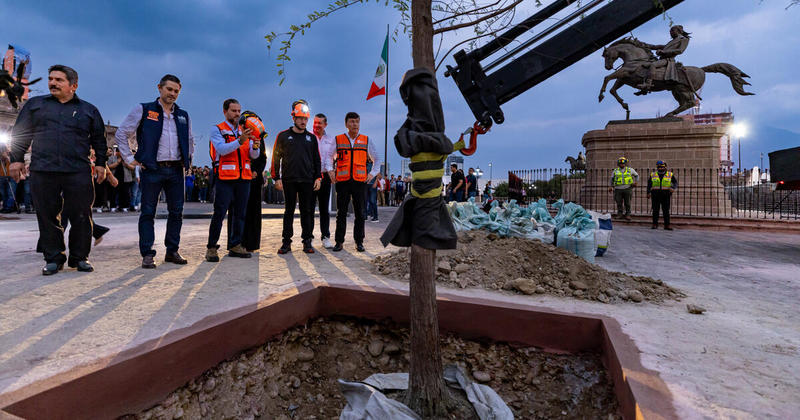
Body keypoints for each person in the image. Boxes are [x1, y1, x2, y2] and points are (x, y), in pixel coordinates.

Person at [8, 64, 108, 275]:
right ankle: (54, 257)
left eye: (59, 80)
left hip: (78, 170)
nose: (52, 83)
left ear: (73, 85)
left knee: (81, 214)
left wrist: (100, 163)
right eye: (51, 79)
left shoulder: (88, 110)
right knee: (47, 214)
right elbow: (21, 133)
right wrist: (16, 160)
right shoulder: (36, 105)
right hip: (44, 169)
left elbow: (99, 139)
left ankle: (80, 258)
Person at [116, 74, 195, 269]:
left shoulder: (183, 115)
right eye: (169, 89)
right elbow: (121, 133)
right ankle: (147, 253)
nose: (173, 94)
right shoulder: (144, 109)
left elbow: (190, 140)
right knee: (148, 212)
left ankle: (172, 250)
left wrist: (188, 161)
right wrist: (129, 159)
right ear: (159, 88)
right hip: (152, 169)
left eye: (176, 91)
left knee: (176, 212)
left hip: (176, 169)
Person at [203, 99, 260, 261]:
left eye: (239, 111)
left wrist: (255, 146)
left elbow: (253, 155)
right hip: (225, 178)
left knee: (240, 214)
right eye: (233, 111)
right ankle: (212, 248)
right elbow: (222, 149)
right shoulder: (217, 129)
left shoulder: (246, 130)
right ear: (225, 111)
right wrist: (240, 141)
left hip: (244, 178)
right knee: (219, 213)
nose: (237, 114)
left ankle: (236, 245)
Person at [271, 100, 321, 254]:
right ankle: (286, 242)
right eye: (300, 118)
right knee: (289, 211)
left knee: (307, 211)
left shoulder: (311, 138)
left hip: (307, 180)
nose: (303, 121)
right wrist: (276, 178)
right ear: (293, 118)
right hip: (289, 180)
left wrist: (318, 178)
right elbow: (275, 158)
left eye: (305, 119)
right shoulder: (283, 136)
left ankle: (307, 242)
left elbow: (316, 159)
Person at [332, 112, 380, 252]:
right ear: (346, 124)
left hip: (360, 182)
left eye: (357, 122)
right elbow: (329, 156)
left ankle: (359, 242)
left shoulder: (366, 140)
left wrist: (371, 174)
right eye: (352, 122)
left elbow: (377, 158)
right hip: (343, 182)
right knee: (341, 212)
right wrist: (330, 171)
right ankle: (339, 242)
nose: (355, 124)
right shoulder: (338, 140)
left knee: (360, 213)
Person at [238, 111, 268, 253]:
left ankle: (252, 243)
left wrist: (256, 171)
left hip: (255, 180)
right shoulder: (238, 135)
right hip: (240, 178)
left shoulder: (259, 138)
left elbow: (263, 158)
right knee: (238, 211)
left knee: (254, 213)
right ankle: (237, 242)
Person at [637, 25, 691, 94]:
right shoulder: (671, 42)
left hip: (668, 60)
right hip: (661, 59)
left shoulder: (684, 39)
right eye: (670, 31)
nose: (670, 33)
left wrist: (664, 52)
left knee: (653, 65)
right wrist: (642, 44)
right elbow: (655, 46)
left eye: (672, 31)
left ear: (678, 31)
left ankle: (648, 84)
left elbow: (680, 50)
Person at [313, 113, 336, 248]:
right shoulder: (309, 137)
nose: (317, 125)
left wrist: (334, 171)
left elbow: (335, 157)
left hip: (325, 176)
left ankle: (325, 237)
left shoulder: (331, 140)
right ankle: (308, 237)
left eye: (320, 123)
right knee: (309, 208)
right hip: (311, 177)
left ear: (325, 125)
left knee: (324, 209)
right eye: (315, 123)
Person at [647, 160, 678, 230]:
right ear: (657, 167)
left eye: (662, 167)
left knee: (666, 210)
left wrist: (673, 188)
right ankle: (655, 224)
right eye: (659, 167)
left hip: (666, 194)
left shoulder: (670, 174)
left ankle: (667, 225)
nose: (660, 168)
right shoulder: (653, 174)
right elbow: (649, 185)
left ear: (665, 167)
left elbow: (675, 183)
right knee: (655, 210)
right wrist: (648, 192)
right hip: (655, 194)